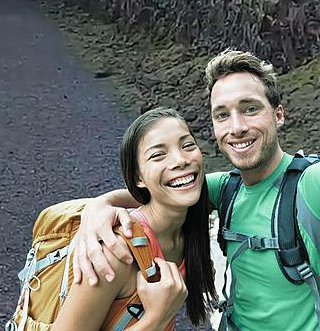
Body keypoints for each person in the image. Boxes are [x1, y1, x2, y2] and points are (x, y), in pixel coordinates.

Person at [72, 49, 320, 331]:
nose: (237, 127)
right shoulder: (225, 189)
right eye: (222, 115)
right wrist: (98, 209)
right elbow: (160, 192)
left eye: (250, 109)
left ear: (278, 114)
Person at [49, 108, 217, 331]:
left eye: (187, 145)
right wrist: (156, 318)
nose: (180, 160)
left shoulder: (187, 230)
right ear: (138, 178)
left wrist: (102, 202)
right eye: (158, 155)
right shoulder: (115, 252)